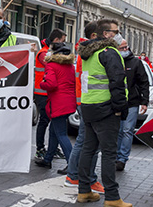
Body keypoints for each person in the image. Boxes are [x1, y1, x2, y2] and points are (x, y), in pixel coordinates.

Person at [77, 19, 132, 207]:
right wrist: (120, 107)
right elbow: (117, 81)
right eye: (115, 32)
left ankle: (84, 190)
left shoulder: (89, 53)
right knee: (109, 153)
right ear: (105, 34)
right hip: (106, 107)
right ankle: (112, 197)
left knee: (88, 149)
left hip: (89, 105)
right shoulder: (110, 52)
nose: (118, 35)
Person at [64, 22, 104, 194]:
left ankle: (74, 175)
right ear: (94, 36)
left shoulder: (83, 51)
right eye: (104, 33)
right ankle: (85, 177)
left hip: (84, 100)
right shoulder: (90, 52)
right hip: (89, 101)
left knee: (84, 140)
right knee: (90, 142)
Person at [34, 42, 76, 169]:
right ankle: (48, 159)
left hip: (58, 103)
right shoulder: (70, 66)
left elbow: (51, 84)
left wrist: (42, 83)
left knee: (61, 134)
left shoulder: (52, 65)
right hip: (69, 102)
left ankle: (72, 164)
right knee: (53, 131)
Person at [115, 39, 149, 171]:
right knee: (118, 130)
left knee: (127, 130)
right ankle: (116, 156)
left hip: (132, 102)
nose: (124, 50)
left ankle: (122, 158)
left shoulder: (136, 63)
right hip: (117, 102)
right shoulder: (114, 61)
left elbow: (144, 82)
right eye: (121, 48)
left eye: (125, 47)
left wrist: (144, 101)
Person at [34, 29, 67, 160]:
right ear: (56, 40)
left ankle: (53, 148)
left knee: (53, 121)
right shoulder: (43, 53)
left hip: (51, 92)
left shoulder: (51, 52)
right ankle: (40, 148)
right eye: (63, 41)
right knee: (44, 120)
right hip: (42, 92)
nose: (64, 44)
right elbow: (53, 66)